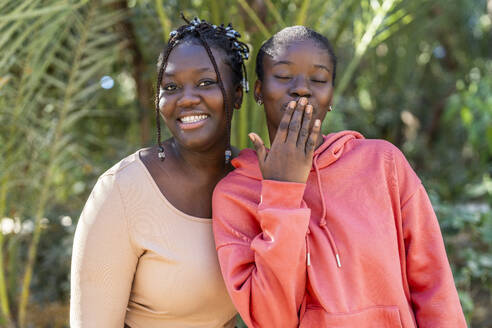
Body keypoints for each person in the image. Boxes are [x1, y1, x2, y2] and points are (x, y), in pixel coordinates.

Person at [212, 26, 466, 328]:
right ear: (258, 90)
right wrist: (283, 191)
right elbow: (272, 319)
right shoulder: (234, 194)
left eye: (318, 79)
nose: (301, 89)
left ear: (331, 95)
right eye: (283, 76)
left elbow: (433, 285)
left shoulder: (383, 164)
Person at [70, 16, 249, 327]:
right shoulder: (121, 192)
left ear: (237, 95)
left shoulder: (253, 180)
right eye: (171, 86)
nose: (187, 97)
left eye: (206, 82)